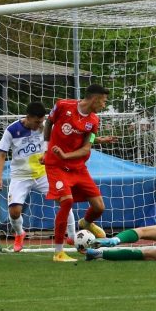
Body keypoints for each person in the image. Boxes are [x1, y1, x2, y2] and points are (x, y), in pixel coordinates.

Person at [0, 102, 76, 252]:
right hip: (20, 175)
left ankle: (72, 236)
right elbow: (1, 154)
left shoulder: (46, 127)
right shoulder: (12, 130)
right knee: (14, 211)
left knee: (65, 200)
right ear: (28, 118)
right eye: (37, 122)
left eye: (42, 121)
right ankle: (20, 234)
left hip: (44, 173)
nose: (40, 125)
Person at [43, 84, 110, 262]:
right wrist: (45, 150)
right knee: (67, 201)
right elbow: (48, 122)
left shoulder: (94, 121)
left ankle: (85, 223)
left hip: (78, 168)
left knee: (99, 207)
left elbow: (86, 147)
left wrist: (67, 155)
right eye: (103, 101)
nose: (104, 105)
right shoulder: (63, 105)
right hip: (56, 165)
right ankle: (58, 252)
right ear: (94, 99)